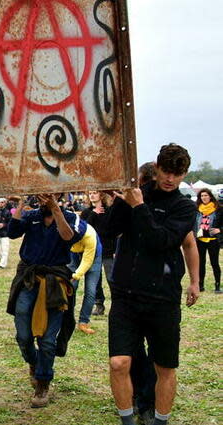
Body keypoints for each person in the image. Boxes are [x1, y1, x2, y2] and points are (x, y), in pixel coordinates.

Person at [106, 144, 200, 425]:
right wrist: (121, 203)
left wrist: (139, 207)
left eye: (178, 173)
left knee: (164, 367)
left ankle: (160, 421)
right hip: (126, 295)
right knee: (118, 363)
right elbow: (110, 231)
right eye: (167, 171)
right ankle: (127, 421)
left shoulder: (184, 207)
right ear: (157, 168)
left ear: (184, 174)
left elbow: (160, 240)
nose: (171, 178)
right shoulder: (137, 195)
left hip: (163, 299)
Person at [6, 193, 86, 408]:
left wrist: (56, 209)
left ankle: (43, 383)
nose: (43, 199)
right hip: (29, 279)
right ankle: (33, 362)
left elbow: (69, 237)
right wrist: (21, 204)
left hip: (55, 282)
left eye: (48, 195)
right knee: (23, 333)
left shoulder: (71, 217)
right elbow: (12, 232)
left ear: (58, 195)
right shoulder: (32, 216)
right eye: (41, 195)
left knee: (48, 340)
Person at [80, 190, 116, 316]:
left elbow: (114, 231)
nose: (92, 195)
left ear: (101, 195)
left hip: (108, 250)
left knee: (112, 278)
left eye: (95, 192)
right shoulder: (86, 212)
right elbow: (83, 229)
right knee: (95, 281)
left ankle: (117, 305)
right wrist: (94, 214)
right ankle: (99, 305)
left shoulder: (109, 211)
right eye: (90, 193)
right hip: (92, 251)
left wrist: (115, 250)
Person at [68, 222, 101, 335]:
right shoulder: (66, 231)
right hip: (74, 254)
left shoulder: (90, 236)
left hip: (93, 256)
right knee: (70, 287)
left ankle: (83, 322)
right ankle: (67, 318)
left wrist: (75, 276)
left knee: (90, 290)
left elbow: (87, 261)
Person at [194, 188, 221, 293]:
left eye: (206, 195)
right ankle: (201, 286)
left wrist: (220, 230)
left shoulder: (219, 209)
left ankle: (217, 286)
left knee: (215, 263)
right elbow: (193, 223)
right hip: (200, 240)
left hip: (213, 240)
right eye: (202, 196)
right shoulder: (197, 209)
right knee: (201, 263)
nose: (204, 198)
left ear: (210, 196)